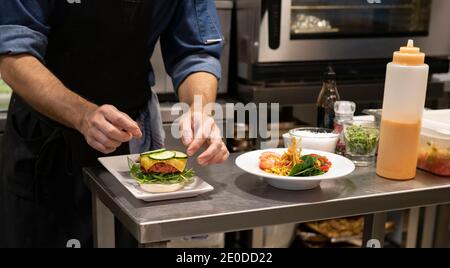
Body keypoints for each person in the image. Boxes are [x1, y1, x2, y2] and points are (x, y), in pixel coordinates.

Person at [0, 0, 229, 248]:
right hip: (47, 147)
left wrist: (199, 108)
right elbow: (14, 52)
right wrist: (82, 114)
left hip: (129, 147)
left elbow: (195, 52)